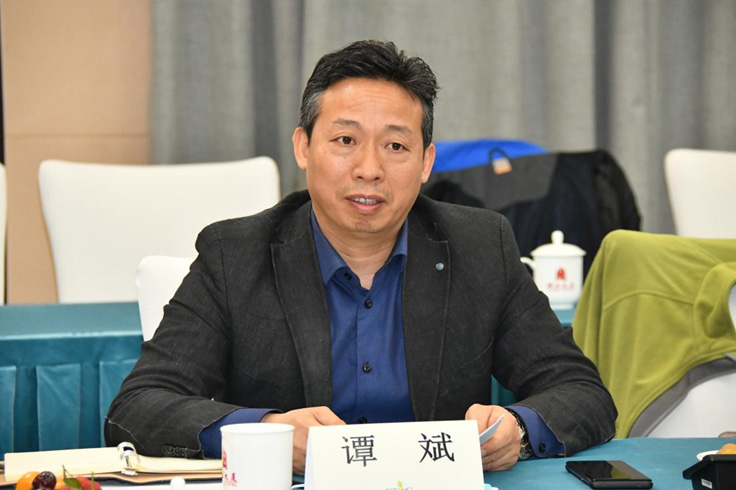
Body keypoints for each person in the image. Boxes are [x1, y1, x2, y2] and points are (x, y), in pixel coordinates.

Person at [105, 40, 616, 474]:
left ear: (426, 163)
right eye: (345, 140)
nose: (369, 169)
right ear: (303, 148)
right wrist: (268, 432)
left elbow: (581, 391)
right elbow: (137, 409)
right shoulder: (234, 254)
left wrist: (518, 430)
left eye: (396, 146)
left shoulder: (480, 246)